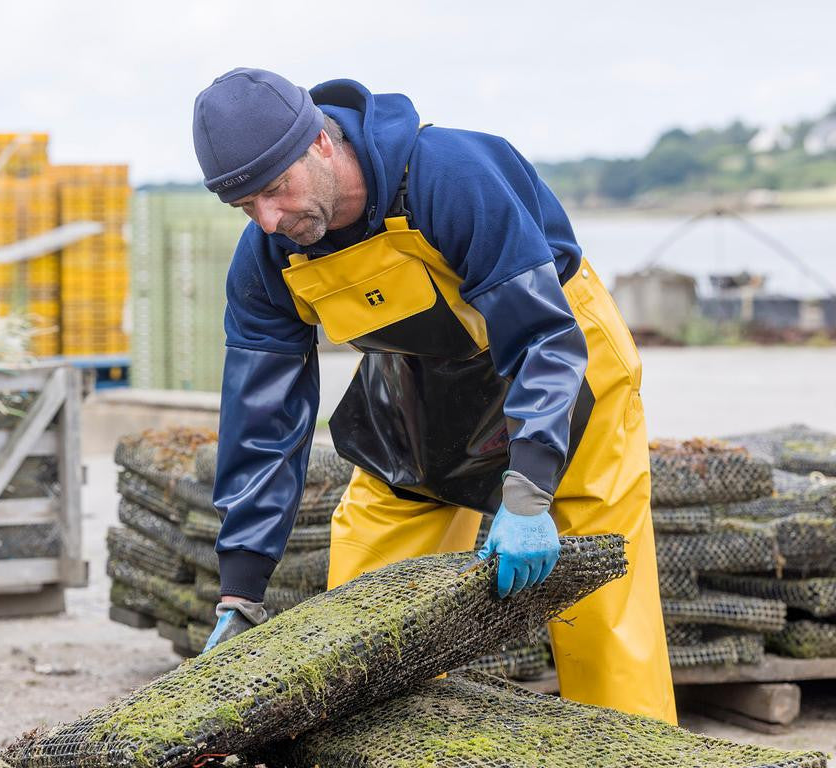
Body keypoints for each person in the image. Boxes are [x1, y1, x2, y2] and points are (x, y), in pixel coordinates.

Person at [191, 67, 675, 722]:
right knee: (365, 609)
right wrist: (240, 591)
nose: (269, 220)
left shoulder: (449, 173)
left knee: (600, 590)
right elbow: (261, 422)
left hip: (561, 366)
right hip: (419, 385)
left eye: (276, 189)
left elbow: (540, 340)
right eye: (246, 207)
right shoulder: (269, 257)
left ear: (322, 143)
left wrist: (530, 494)